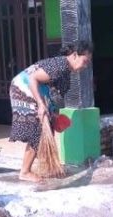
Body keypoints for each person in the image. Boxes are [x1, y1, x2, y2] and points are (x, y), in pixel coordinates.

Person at [9, 41, 93, 182]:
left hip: (36, 91)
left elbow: (54, 95)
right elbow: (33, 78)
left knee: (47, 126)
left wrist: (54, 114)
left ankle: (47, 166)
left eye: (87, 63)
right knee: (38, 129)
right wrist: (41, 105)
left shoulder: (67, 73)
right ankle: (25, 172)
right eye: (84, 61)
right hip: (23, 87)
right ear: (74, 55)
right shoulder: (60, 66)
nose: (85, 66)